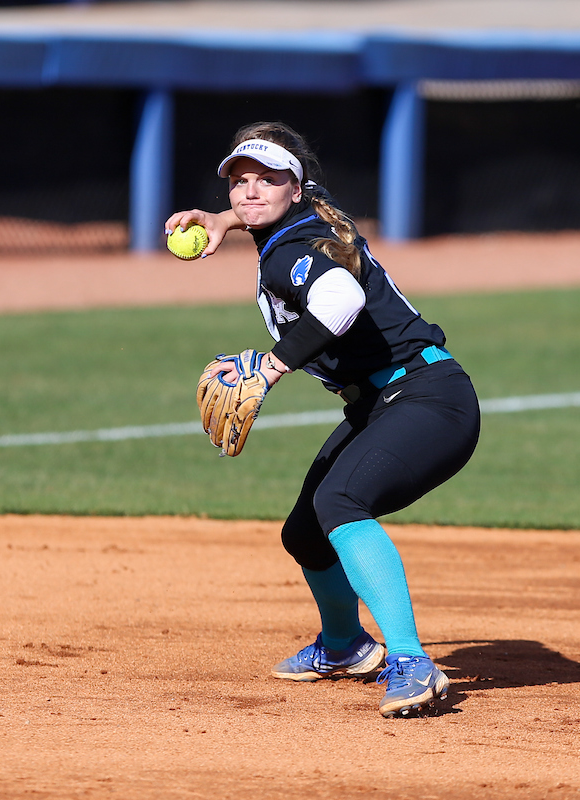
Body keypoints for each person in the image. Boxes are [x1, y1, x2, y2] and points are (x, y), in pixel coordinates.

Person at [165, 122, 480, 718]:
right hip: (390, 400)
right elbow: (274, 216)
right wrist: (225, 221)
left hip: (428, 400)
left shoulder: (290, 252)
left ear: (297, 186)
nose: (251, 192)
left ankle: (413, 664)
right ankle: (344, 646)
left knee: (341, 503)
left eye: (268, 180)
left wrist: (271, 367)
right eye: (240, 181)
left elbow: (341, 300)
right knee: (305, 533)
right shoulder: (314, 221)